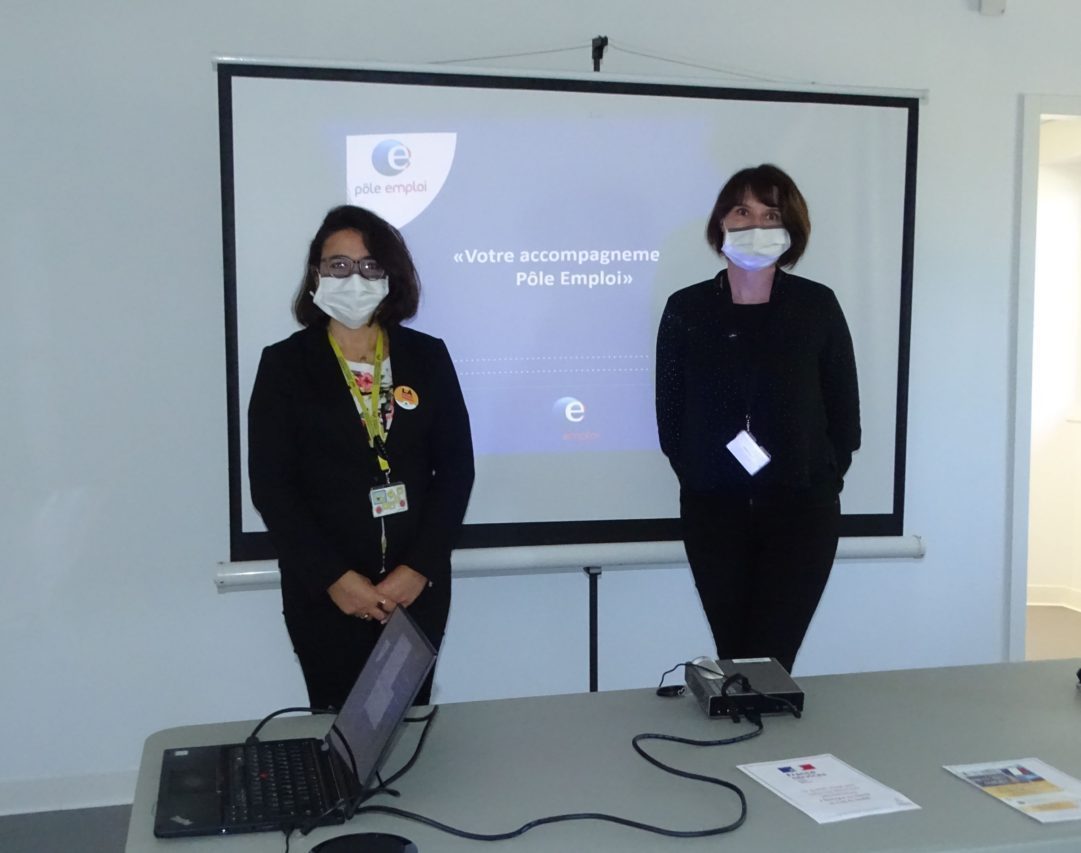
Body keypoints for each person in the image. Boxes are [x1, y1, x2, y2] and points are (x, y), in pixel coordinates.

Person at [248, 205, 474, 708]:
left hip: (416, 591)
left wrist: (418, 569)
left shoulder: (427, 357)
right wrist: (335, 579)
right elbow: (271, 486)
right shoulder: (284, 365)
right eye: (339, 265)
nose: (355, 278)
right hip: (326, 593)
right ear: (316, 275)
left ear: (391, 276)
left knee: (406, 725)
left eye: (371, 265)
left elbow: (457, 471)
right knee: (336, 728)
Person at [655, 164, 860, 674]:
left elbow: (844, 414)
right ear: (721, 222)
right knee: (735, 653)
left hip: (801, 515)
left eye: (771, 215)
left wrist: (816, 478)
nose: (756, 226)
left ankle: (765, 728)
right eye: (742, 211)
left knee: (772, 658)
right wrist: (703, 478)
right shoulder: (687, 309)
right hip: (714, 515)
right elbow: (671, 416)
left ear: (791, 229)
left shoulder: (815, 306)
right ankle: (745, 727)